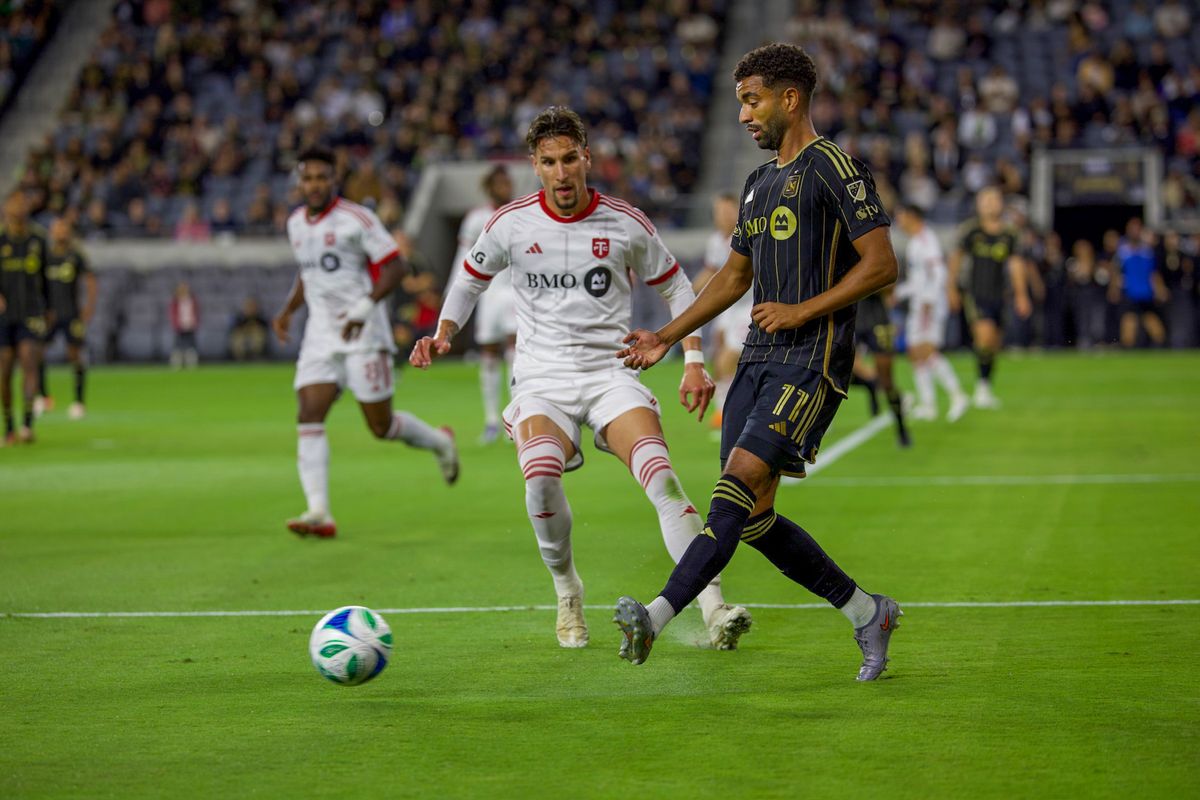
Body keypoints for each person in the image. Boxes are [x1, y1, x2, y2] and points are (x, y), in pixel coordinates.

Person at [411, 107, 753, 651]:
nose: (562, 171)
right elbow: (469, 279)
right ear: (535, 166)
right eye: (549, 162)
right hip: (542, 381)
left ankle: (713, 607)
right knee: (542, 475)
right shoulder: (510, 223)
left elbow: (679, 289)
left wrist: (692, 359)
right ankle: (568, 592)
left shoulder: (625, 223)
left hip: (610, 375)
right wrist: (444, 331)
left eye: (570, 158)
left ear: (587, 158)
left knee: (661, 477)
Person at [614, 43, 902, 680]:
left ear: (790, 98)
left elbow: (882, 265)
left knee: (730, 495)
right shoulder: (759, 182)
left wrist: (804, 311)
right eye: (741, 101)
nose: (744, 114)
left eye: (753, 100)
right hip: (757, 360)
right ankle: (867, 613)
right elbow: (732, 277)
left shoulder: (836, 168)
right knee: (752, 518)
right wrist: (666, 337)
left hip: (812, 357)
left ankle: (654, 617)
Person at [273, 147, 459, 539]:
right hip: (321, 335)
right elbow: (308, 274)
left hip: (363, 334)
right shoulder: (295, 224)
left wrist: (363, 306)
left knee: (381, 425)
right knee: (309, 413)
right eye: (308, 178)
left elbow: (396, 267)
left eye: (322, 177)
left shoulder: (357, 219)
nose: (315, 184)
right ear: (299, 182)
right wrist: (289, 310)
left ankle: (440, 443)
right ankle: (319, 511)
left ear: (334, 180)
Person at [947, 186, 1032, 408]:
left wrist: (1022, 295)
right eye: (986, 200)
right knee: (983, 338)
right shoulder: (971, 231)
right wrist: (951, 288)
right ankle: (981, 389)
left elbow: (1015, 265)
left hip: (999, 296)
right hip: (975, 294)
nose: (990, 204)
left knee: (994, 344)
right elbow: (956, 259)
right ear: (978, 205)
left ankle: (985, 385)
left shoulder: (1010, 234)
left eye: (994, 199)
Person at [450, 166, 516, 444]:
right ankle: (491, 421)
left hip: (514, 291)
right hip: (489, 294)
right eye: (499, 183)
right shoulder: (476, 218)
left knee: (515, 351)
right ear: (490, 187)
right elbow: (463, 257)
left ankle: (514, 419)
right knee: (489, 353)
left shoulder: (520, 213)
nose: (505, 187)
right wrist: (453, 296)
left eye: (507, 182)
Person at [893, 204, 967, 421]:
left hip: (929, 304)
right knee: (914, 352)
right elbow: (918, 281)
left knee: (925, 351)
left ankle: (957, 395)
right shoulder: (916, 242)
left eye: (901, 216)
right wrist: (899, 293)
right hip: (920, 302)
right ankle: (928, 405)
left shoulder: (927, 241)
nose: (899, 222)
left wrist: (929, 301)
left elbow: (938, 273)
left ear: (911, 216)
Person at [691, 192, 747, 429]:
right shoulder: (716, 241)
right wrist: (686, 293)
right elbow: (711, 272)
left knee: (728, 358)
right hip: (729, 308)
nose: (723, 216)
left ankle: (729, 412)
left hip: (749, 306)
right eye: (719, 212)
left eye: (727, 211)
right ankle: (727, 411)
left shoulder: (746, 236)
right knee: (718, 355)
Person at [0, 193, 49, 444]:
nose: (18, 208)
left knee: (29, 363)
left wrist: (48, 310)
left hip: (31, 314)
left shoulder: (38, 240)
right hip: (4, 318)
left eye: (22, 203)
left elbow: (47, 277)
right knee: (4, 371)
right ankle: (8, 425)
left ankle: (28, 424)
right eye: (14, 204)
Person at [37, 217, 96, 420]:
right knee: (36, 353)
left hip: (71, 314)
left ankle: (79, 401)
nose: (60, 232)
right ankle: (43, 397)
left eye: (63, 228)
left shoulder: (75, 256)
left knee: (75, 356)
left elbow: (90, 281)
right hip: (49, 315)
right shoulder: (45, 256)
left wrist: (88, 307)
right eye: (56, 229)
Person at [850, 288, 911, 445]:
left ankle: (901, 428)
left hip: (877, 320)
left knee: (887, 381)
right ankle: (869, 385)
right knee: (840, 374)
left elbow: (889, 285)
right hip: (850, 317)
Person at [1112, 218, 1167, 348]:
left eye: (1137, 229)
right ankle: (1127, 351)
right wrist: (1114, 288)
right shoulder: (1122, 250)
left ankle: (1161, 348)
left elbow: (1154, 273)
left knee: (1152, 323)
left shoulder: (1148, 250)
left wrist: (1159, 289)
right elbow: (1115, 270)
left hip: (1146, 292)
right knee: (1128, 323)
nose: (1135, 231)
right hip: (1130, 293)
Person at [168, 282, 200, 369]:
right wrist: (178, 325)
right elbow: (173, 315)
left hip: (190, 327)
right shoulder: (175, 302)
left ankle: (191, 365)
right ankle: (176, 365)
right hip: (179, 328)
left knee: (191, 348)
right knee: (177, 347)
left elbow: (196, 313)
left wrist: (193, 324)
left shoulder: (192, 300)